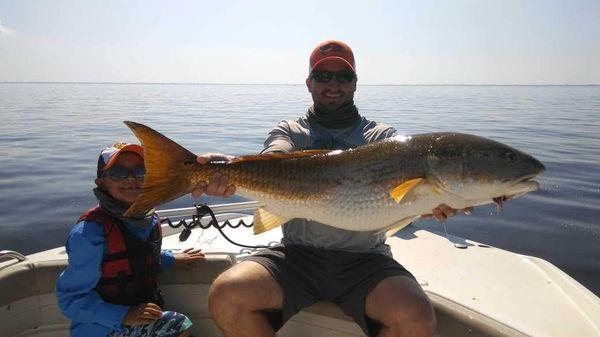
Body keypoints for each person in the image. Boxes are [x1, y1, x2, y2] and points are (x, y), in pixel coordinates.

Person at [194, 40, 469, 337]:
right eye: (323, 76)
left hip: (366, 259)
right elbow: (273, 161)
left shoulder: (383, 138)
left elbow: (408, 197)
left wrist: (435, 203)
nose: (333, 84)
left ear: (355, 84)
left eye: (343, 76)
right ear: (309, 83)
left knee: (416, 317)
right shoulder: (290, 131)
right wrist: (223, 167)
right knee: (225, 295)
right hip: (297, 257)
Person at [56, 142, 205, 337]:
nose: (131, 179)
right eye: (118, 173)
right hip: (102, 330)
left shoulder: (147, 219)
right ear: (101, 183)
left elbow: (140, 254)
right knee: (177, 324)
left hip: (137, 321)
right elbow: (70, 299)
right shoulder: (89, 234)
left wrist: (171, 259)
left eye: (140, 171)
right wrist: (123, 315)